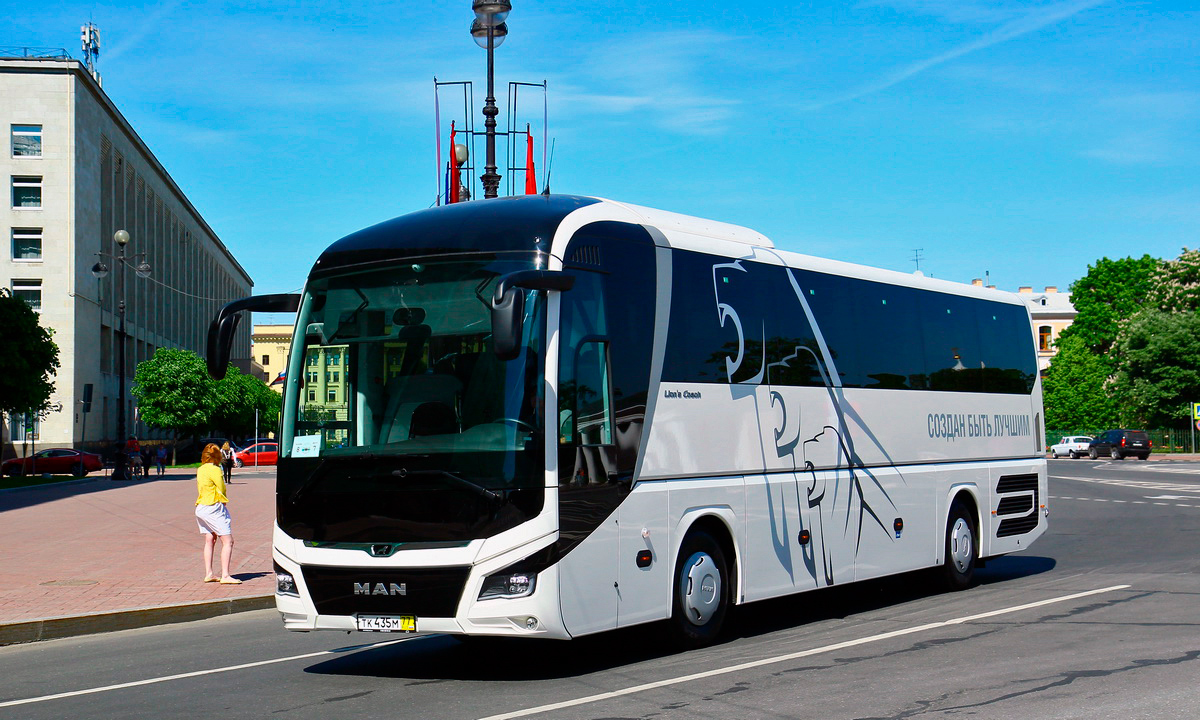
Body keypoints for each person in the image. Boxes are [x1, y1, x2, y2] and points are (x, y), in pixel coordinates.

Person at [195, 443, 241, 584]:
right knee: (228, 541)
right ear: (217, 456)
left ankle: (209, 573)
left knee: (210, 539)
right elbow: (221, 487)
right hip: (213, 507)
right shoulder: (215, 469)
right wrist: (223, 500)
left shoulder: (200, 469)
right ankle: (225, 576)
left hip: (201, 507)